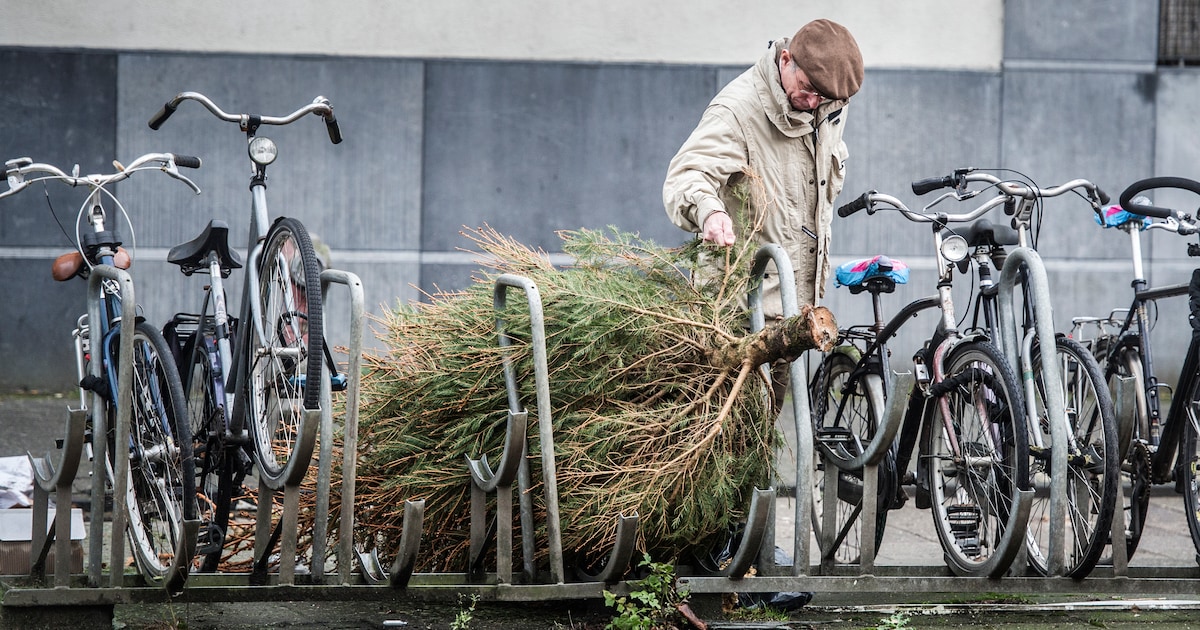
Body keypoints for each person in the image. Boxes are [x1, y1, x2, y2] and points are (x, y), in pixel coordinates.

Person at [663, 18, 864, 319]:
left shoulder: (826, 104)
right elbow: (687, 175)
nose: (811, 102)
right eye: (807, 88)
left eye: (822, 97)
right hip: (737, 315)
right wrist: (709, 211)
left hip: (795, 310)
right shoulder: (737, 111)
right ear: (786, 60)